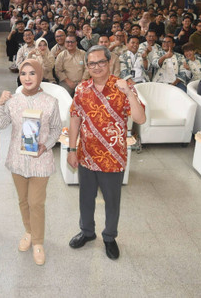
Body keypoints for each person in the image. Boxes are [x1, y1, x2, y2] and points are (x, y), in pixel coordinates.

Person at [67, 45, 145, 260]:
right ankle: (87, 232)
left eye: (101, 62)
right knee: (86, 198)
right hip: (87, 155)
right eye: (92, 63)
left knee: (112, 200)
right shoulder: (82, 89)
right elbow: (75, 119)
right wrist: (72, 149)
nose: (97, 67)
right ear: (87, 66)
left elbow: (140, 119)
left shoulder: (123, 87)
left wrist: (129, 92)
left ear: (109, 62)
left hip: (113, 156)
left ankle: (110, 237)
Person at [0, 59, 61, 265]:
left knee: (36, 203)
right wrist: (0, 104)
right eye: (24, 73)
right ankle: (29, 232)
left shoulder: (50, 101)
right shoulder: (13, 100)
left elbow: (57, 129)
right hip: (17, 159)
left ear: (39, 75)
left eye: (32, 73)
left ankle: (38, 242)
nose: (28, 78)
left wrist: (46, 145)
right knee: (23, 201)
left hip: (40, 160)